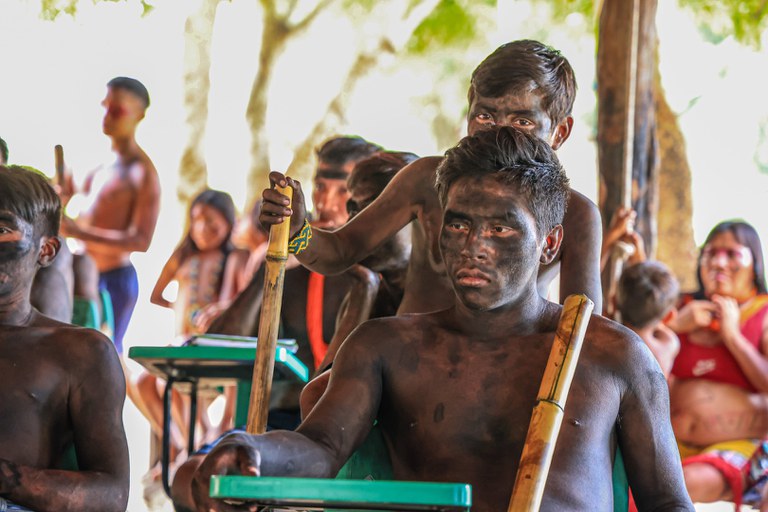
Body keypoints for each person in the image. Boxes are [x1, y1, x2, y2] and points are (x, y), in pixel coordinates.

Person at [189, 127, 691, 512]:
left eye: (501, 229)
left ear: (549, 244)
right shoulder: (385, 347)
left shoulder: (613, 356)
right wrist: (249, 450)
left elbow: (668, 503)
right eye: (459, 225)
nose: (474, 247)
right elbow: (319, 446)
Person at [260, 40, 603, 315]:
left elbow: (583, 331)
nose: (497, 135)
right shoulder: (425, 179)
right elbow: (340, 251)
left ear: (560, 132)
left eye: (522, 122)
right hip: (410, 367)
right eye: (485, 116)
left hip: (512, 375)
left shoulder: (576, 215)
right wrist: (298, 231)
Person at [0, 165, 129, 511]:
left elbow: (111, 496)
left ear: (46, 250)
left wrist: (7, 478)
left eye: (1, 229)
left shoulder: (78, 352)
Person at [666, 220, 768, 507]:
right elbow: (633, 352)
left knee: (679, 485)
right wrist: (674, 326)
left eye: (732, 254)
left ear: (754, 263)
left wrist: (732, 336)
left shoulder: (763, 314)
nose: (718, 262)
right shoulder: (680, 307)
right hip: (669, 442)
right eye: (710, 253)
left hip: (739, 446)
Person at [58, 76, 161, 355]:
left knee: (103, 354)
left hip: (114, 279)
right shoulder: (97, 165)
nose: (107, 116)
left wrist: (78, 232)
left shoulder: (143, 173)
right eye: (105, 106)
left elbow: (141, 240)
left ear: (138, 115)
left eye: (117, 111)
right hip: (79, 273)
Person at [615, 261, 680, 379]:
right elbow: (650, 299)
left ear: (613, 302)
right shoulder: (668, 345)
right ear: (669, 317)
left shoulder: (608, 339)